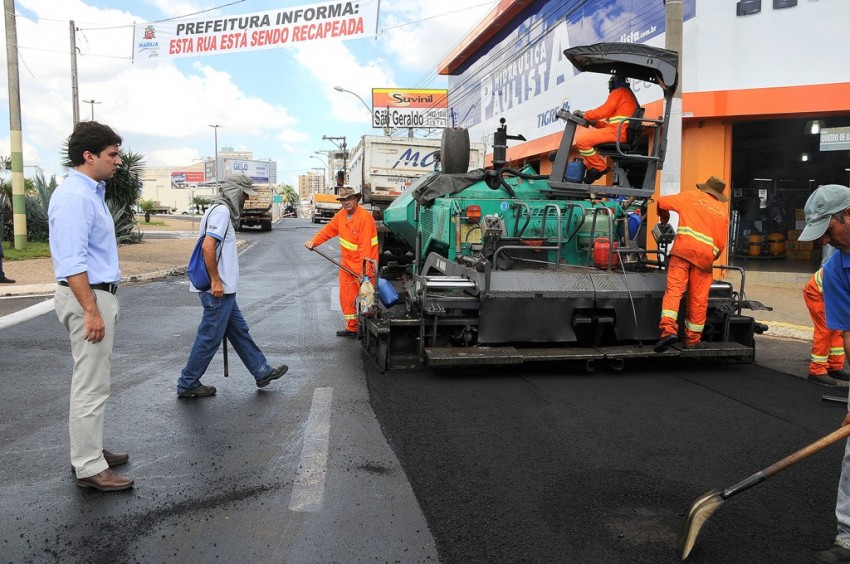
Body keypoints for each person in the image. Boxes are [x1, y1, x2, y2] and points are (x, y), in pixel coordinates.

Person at [48, 121, 133, 491]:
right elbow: (72, 261)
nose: (117, 162)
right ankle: (88, 467)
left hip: (96, 294)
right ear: (89, 156)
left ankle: (90, 450)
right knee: (91, 385)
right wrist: (92, 310)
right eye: (112, 155)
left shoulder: (90, 192)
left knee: (94, 382)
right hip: (88, 296)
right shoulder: (75, 197)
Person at [177, 174, 288, 398]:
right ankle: (188, 383)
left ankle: (261, 371)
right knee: (209, 338)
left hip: (224, 290)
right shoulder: (221, 211)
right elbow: (209, 247)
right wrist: (216, 281)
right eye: (245, 193)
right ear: (235, 191)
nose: (247, 198)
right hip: (217, 290)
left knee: (239, 331)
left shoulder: (216, 209)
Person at [797, 184, 850, 563]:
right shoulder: (836, 269)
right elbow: (848, 333)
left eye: (828, 230)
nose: (826, 241)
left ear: (848, 215)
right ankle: (847, 538)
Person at [654, 176, 730, 352]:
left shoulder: (690, 197)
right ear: (718, 195)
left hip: (682, 252)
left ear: (705, 188)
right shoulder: (722, 213)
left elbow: (662, 202)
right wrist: (710, 257)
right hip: (704, 260)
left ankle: (668, 332)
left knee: (674, 291)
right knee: (698, 300)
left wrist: (663, 219)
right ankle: (693, 340)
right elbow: (720, 245)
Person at [304, 187, 378, 337]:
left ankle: (370, 329)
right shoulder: (341, 216)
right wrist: (314, 242)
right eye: (344, 200)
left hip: (364, 263)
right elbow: (328, 230)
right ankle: (352, 327)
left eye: (349, 199)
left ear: (356, 200)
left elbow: (365, 246)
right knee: (346, 296)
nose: (346, 202)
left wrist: (364, 272)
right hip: (346, 263)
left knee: (367, 298)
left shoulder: (364, 217)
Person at [573, 73, 639, 184]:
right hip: (619, 132)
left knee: (582, 141)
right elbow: (613, 123)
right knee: (588, 144)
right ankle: (593, 168)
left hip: (618, 133)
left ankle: (600, 167)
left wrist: (585, 114)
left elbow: (604, 111)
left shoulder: (619, 92)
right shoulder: (627, 94)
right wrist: (596, 123)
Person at [804, 266, 849, 385]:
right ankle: (816, 370)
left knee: (838, 328)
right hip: (817, 293)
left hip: (832, 294)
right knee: (826, 330)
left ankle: (834, 366)